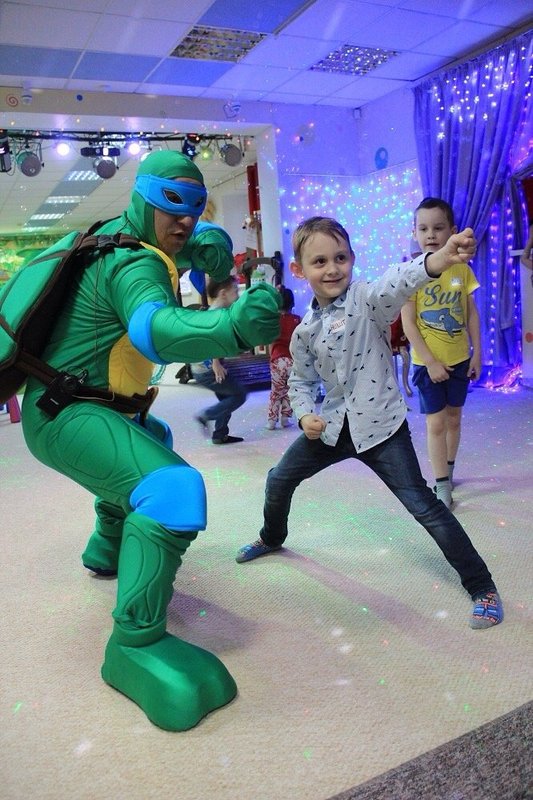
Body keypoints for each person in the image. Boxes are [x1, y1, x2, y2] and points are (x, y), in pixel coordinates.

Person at [19, 150, 282, 731]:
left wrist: (208, 242)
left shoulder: (120, 234)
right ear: (143, 197)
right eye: (172, 202)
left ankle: (107, 545)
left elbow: (190, 244)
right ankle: (134, 644)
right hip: (68, 413)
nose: (183, 218)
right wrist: (233, 326)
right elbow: (153, 331)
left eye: (195, 206)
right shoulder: (132, 263)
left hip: (87, 404)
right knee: (171, 488)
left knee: (151, 435)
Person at [235, 216, 503, 632]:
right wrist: (304, 414)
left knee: (424, 506)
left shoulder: (366, 300)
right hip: (330, 428)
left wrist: (438, 260)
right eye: (320, 261)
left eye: (340, 258)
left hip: (381, 428)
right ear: (300, 270)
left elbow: (399, 281)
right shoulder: (304, 331)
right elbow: (300, 382)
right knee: (279, 478)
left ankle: (482, 586)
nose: (332, 269)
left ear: (352, 259)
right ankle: (271, 537)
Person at [401, 197, 481, 509]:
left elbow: (470, 314)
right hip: (427, 365)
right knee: (436, 424)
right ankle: (441, 483)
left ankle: (448, 469)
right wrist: (431, 362)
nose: (431, 234)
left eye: (438, 227)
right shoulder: (412, 273)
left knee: (454, 419)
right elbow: (409, 324)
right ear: (415, 233)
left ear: (452, 231)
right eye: (423, 228)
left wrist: (477, 353)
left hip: (459, 359)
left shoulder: (461, 269)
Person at [191, 275, 247, 444]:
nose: (237, 295)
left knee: (226, 398)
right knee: (239, 395)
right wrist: (216, 363)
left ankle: (220, 435)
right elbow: (213, 339)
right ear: (223, 294)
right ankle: (205, 415)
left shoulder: (216, 311)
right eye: (235, 291)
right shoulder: (217, 314)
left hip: (204, 367)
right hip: (208, 369)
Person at [266, 286, 301, 429]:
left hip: (278, 359)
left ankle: (271, 420)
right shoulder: (297, 320)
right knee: (289, 389)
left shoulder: (274, 321)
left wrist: (271, 357)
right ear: (292, 303)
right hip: (293, 360)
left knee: (276, 391)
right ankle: (286, 418)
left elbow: (270, 342)